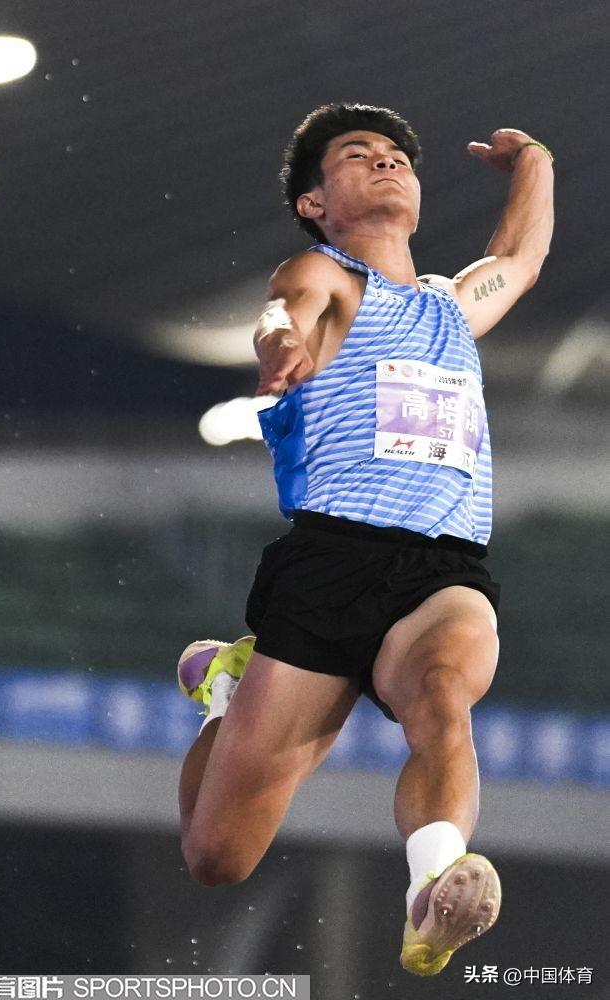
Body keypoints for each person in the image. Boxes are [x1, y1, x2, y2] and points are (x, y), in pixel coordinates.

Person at [176, 102, 554, 977]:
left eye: (398, 156)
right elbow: (286, 310)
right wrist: (279, 346)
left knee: (443, 694)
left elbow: (520, 258)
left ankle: (433, 886)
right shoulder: (328, 277)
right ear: (315, 203)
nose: (387, 162)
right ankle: (226, 693)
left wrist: (533, 158)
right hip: (332, 561)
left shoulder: (452, 308)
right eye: (359, 155)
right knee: (217, 856)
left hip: (443, 568)